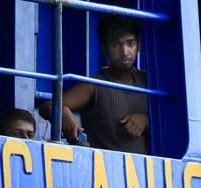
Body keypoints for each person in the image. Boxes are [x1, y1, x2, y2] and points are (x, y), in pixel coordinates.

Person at [39, 15, 149, 154]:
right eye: (116, 44)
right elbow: (46, 107)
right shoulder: (94, 86)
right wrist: (61, 112)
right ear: (104, 47)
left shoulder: (148, 82)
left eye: (130, 44)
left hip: (146, 173)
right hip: (102, 171)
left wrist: (146, 120)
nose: (125, 51)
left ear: (138, 45)